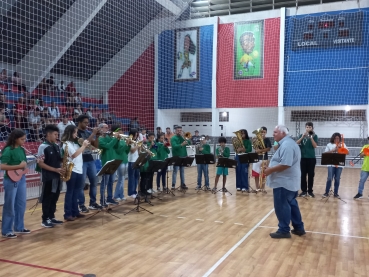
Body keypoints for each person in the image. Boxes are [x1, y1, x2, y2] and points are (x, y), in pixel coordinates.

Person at [264, 125, 305, 239]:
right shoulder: (289, 143)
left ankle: (284, 230)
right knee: (291, 204)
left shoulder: (287, 145)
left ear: (283, 133)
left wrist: (270, 170)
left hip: (284, 182)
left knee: (282, 206)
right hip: (290, 181)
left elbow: (286, 164)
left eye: (275, 132)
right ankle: (298, 227)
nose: (273, 134)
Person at [1, 129, 30, 238]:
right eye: (22, 139)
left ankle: (19, 227)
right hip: (10, 180)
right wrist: (18, 166)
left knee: (21, 204)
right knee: (10, 206)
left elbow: (23, 164)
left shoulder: (22, 149)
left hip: (21, 178)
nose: (24, 141)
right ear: (15, 139)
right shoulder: (8, 150)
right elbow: (2, 166)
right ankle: (6, 230)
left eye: (24, 139)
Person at [37, 125, 65, 228]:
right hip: (48, 177)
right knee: (47, 198)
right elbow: (41, 163)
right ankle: (45, 219)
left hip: (57, 176)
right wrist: (55, 169)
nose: (57, 136)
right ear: (48, 134)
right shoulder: (43, 147)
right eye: (55, 134)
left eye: (57, 134)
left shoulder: (56, 145)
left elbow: (59, 159)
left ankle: (51, 216)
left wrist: (65, 159)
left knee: (55, 197)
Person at [61, 125, 90, 221]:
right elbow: (74, 155)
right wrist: (84, 146)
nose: (76, 134)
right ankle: (67, 213)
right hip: (71, 169)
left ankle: (75, 211)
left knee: (76, 192)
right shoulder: (66, 144)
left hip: (79, 169)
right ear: (70, 133)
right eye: (74, 132)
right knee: (70, 192)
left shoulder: (75, 143)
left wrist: (85, 146)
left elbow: (80, 152)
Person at [77, 115, 102, 212]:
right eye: (85, 123)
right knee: (82, 184)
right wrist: (93, 134)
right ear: (79, 122)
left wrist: (98, 136)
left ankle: (93, 203)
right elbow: (85, 143)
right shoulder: (76, 133)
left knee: (94, 181)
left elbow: (95, 146)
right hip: (81, 159)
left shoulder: (88, 132)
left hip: (90, 159)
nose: (87, 124)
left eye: (88, 123)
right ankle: (81, 204)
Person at [98, 124, 120, 206]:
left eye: (107, 127)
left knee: (111, 182)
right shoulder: (99, 139)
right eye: (105, 127)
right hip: (106, 162)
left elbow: (116, 147)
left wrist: (118, 139)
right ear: (100, 129)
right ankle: (102, 200)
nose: (108, 129)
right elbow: (108, 146)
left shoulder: (109, 137)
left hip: (113, 161)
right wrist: (115, 138)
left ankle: (110, 198)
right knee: (105, 183)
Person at [296, 122, 318, 197]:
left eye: (310, 127)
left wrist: (311, 137)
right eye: (307, 127)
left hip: (311, 158)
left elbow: (315, 146)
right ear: (305, 128)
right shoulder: (301, 135)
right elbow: (296, 143)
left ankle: (310, 191)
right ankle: (304, 191)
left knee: (311, 175)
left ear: (312, 128)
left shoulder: (315, 136)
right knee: (303, 175)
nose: (308, 128)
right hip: (303, 158)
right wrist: (302, 137)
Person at [323, 133, 348, 198]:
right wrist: (334, 150)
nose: (337, 139)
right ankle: (326, 192)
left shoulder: (343, 144)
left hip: (339, 165)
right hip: (331, 164)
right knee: (329, 178)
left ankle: (336, 193)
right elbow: (325, 153)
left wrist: (341, 149)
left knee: (337, 179)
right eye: (335, 138)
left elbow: (348, 152)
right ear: (333, 138)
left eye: (338, 138)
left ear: (340, 139)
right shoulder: (329, 144)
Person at [252, 127, 272, 191]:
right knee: (256, 174)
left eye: (264, 132)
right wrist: (254, 141)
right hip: (256, 158)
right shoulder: (256, 139)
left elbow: (268, 148)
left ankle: (263, 188)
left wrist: (260, 150)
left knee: (263, 173)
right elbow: (255, 148)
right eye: (262, 132)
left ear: (266, 133)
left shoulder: (267, 140)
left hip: (264, 158)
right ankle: (257, 188)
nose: (263, 133)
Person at [171, 125, 191, 190]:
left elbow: (189, 143)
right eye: (178, 130)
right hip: (176, 156)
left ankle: (183, 184)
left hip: (183, 156)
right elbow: (174, 146)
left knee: (182, 171)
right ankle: (173, 185)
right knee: (175, 171)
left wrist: (187, 138)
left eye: (180, 130)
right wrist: (181, 144)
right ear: (175, 131)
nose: (179, 132)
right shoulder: (173, 138)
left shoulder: (183, 137)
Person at [113, 127, 130, 201]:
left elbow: (126, 151)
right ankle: (116, 195)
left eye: (122, 132)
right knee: (121, 179)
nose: (121, 133)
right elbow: (119, 151)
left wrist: (128, 145)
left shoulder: (123, 140)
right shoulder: (116, 141)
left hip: (125, 160)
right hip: (120, 160)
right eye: (119, 132)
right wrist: (126, 145)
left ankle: (121, 194)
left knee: (123, 179)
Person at [127, 128, 140, 198]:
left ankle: (135, 191)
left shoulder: (136, 141)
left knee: (136, 177)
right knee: (131, 178)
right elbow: (132, 150)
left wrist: (140, 147)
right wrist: (137, 145)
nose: (136, 135)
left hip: (137, 160)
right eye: (135, 134)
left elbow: (138, 152)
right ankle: (131, 193)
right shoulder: (129, 141)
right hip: (131, 161)